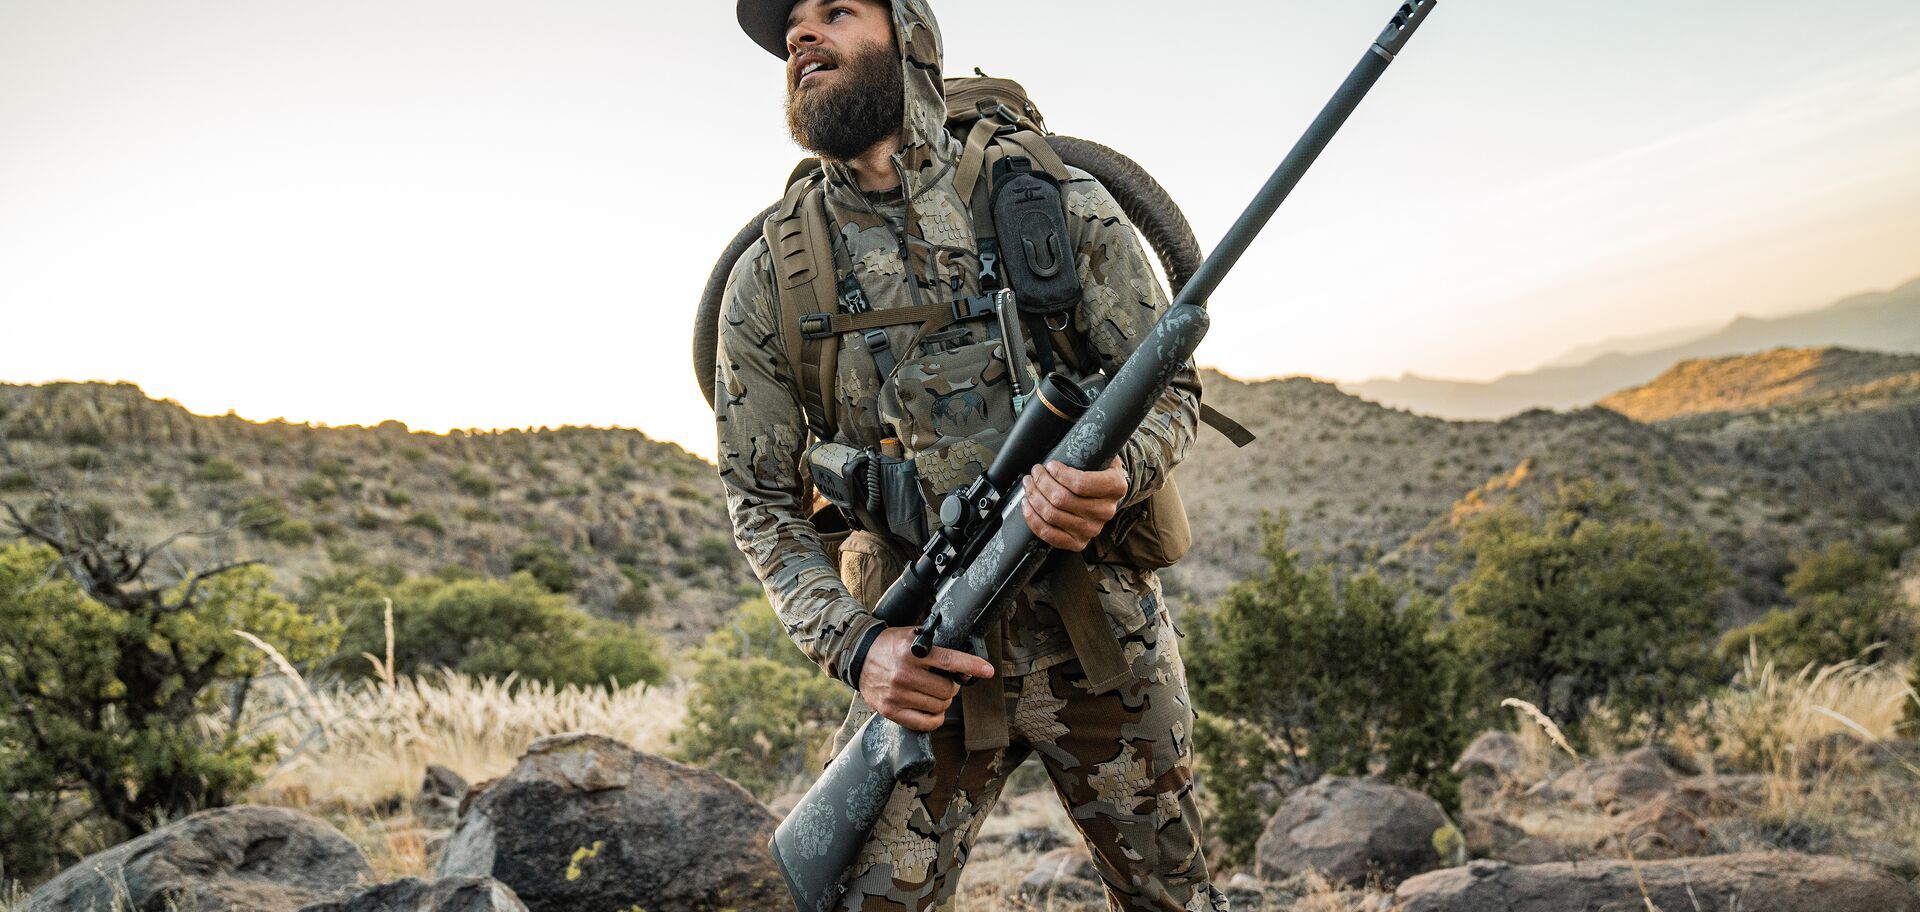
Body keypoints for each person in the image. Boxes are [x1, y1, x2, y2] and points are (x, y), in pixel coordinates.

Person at [715, 1, 1226, 908]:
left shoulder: (1054, 199)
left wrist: (1117, 475)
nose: (801, 36)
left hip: (1102, 639)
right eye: (790, 26)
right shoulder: (770, 277)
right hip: (922, 661)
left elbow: (1173, 391)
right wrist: (858, 648)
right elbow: (758, 497)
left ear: (910, 35)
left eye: (836, 11)